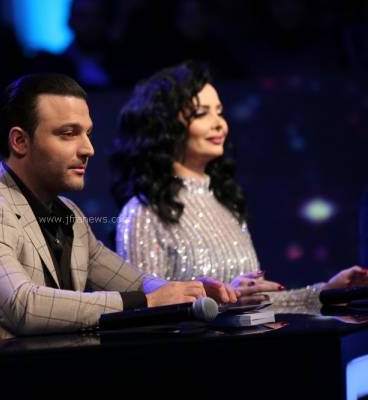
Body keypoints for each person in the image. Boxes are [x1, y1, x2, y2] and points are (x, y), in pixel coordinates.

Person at [0, 73, 238, 358]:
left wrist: (185, 291)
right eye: (68, 133)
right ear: (20, 141)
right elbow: (23, 307)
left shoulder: (69, 214)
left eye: (87, 133)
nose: (88, 149)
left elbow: (136, 283)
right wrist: (148, 301)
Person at [111, 61, 368, 306]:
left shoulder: (225, 203)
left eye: (219, 112)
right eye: (201, 114)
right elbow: (147, 313)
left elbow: (257, 302)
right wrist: (225, 301)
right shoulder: (143, 213)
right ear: (165, 126)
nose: (219, 124)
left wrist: (326, 292)